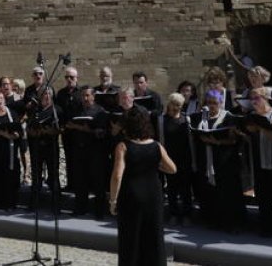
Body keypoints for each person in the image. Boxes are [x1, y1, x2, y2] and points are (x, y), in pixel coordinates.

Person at [110, 107, 177, 266]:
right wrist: (154, 165)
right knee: (154, 235)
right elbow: (172, 169)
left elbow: (117, 175)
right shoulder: (156, 145)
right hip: (153, 195)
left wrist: (113, 200)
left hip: (132, 195)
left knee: (131, 236)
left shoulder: (123, 146)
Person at [193, 89, 243, 232]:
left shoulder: (229, 117)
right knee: (210, 191)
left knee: (227, 192)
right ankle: (213, 220)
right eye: (209, 103)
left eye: (215, 103)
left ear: (221, 103)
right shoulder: (202, 117)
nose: (212, 105)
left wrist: (217, 142)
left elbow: (234, 140)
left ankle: (231, 223)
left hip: (225, 161)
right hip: (207, 160)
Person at [244, 87, 272, 240]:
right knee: (263, 196)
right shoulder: (252, 115)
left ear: (265, 98)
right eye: (252, 98)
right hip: (260, 160)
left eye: (256, 98)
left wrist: (260, 128)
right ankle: (267, 228)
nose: (253, 101)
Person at [66, 86, 109, 218]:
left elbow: (102, 133)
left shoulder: (100, 112)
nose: (84, 98)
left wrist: (84, 129)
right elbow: (69, 126)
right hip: (79, 149)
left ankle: (100, 211)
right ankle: (80, 208)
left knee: (98, 182)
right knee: (80, 180)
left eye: (87, 95)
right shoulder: (76, 110)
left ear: (93, 96)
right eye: (83, 96)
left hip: (95, 151)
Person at [156, 92, 194, 225]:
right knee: (171, 188)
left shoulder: (186, 119)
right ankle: (173, 213)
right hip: (169, 158)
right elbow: (160, 140)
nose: (175, 107)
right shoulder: (162, 120)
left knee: (185, 189)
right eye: (173, 104)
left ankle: (187, 215)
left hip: (184, 158)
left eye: (178, 105)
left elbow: (190, 142)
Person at [26, 87, 61, 210]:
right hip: (37, 146)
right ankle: (34, 204)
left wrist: (49, 131)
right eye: (43, 94)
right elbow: (28, 127)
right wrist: (33, 132)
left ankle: (56, 204)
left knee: (53, 175)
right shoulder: (35, 110)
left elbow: (60, 128)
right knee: (36, 175)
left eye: (47, 94)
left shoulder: (57, 110)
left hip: (51, 146)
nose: (45, 96)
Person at [55, 68, 81, 198]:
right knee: (69, 157)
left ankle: (79, 184)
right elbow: (59, 111)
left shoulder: (81, 93)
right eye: (67, 77)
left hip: (79, 132)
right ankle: (70, 183)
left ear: (77, 78)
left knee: (79, 159)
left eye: (72, 77)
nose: (69, 80)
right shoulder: (61, 94)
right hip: (66, 131)